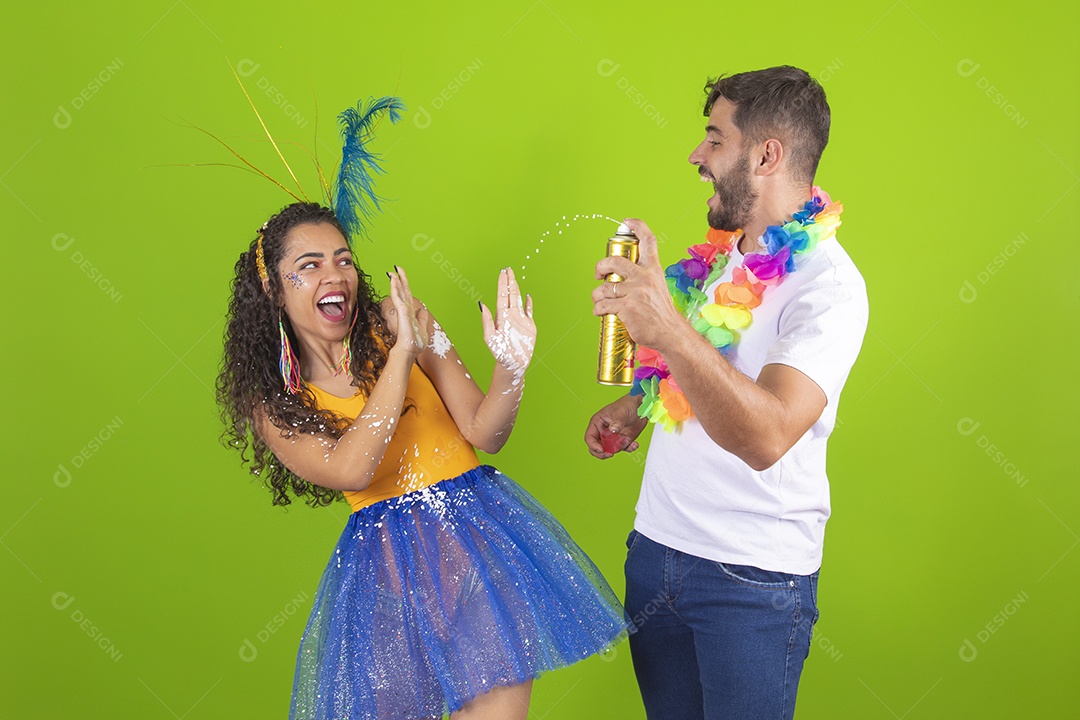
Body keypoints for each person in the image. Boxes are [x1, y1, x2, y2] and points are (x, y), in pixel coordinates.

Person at [217, 201, 628, 720]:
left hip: (478, 562)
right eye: (309, 265)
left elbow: (485, 430)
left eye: (343, 259)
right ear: (275, 290)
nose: (334, 275)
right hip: (389, 591)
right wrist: (401, 356)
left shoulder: (404, 319)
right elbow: (351, 469)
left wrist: (511, 369)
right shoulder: (276, 407)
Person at [585, 66, 869, 719]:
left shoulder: (828, 288)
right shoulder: (721, 257)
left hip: (752, 581)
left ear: (766, 153)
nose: (697, 155)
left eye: (715, 137)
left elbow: (767, 435)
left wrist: (666, 327)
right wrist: (635, 408)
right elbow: (697, 368)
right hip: (656, 552)